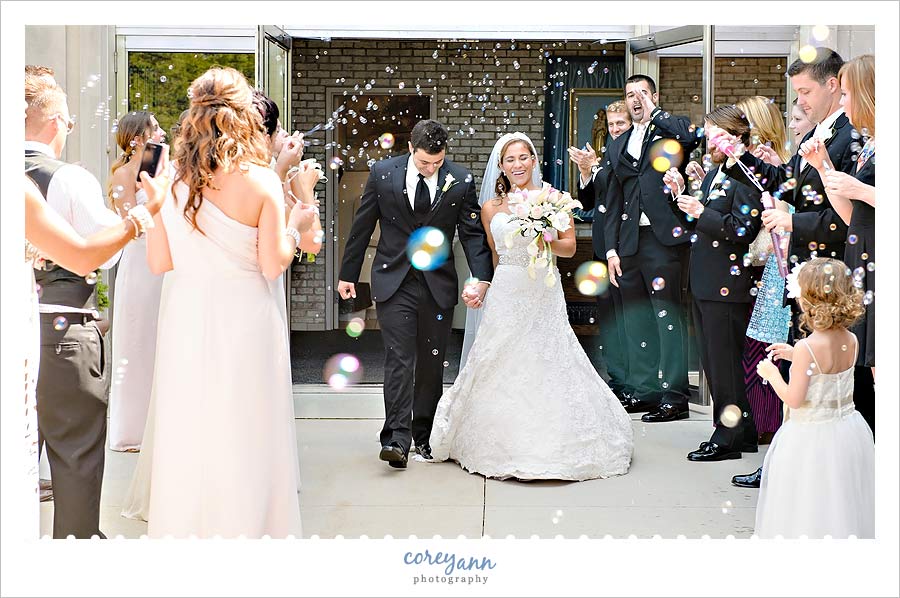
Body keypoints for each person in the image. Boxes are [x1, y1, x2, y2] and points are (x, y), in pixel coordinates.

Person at [139, 67, 318, 538]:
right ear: (244, 116)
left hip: (186, 318)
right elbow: (273, 264)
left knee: (190, 426)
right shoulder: (259, 181)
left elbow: (158, 262)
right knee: (248, 426)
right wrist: (296, 228)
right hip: (246, 320)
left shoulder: (169, 180)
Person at [428, 133, 633, 480]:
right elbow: (495, 255)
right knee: (498, 358)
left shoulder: (555, 199)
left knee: (548, 356)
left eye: (523, 157)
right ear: (501, 166)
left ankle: (554, 440)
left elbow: (569, 247)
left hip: (543, 289)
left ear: (534, 160)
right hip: (507, 290)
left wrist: (543, 237)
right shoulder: (491, 208)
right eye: (510, 160)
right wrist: (485, 286)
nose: (517, 165)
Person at [337, 119, 494, 469]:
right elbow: (363, 225)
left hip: (437, 284)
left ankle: (424, 435)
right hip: (394, 280)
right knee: (399, 357)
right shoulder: (382, 174)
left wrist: (482, 277)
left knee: (431, 362)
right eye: (424, 162)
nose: (431, 168)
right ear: (410, 148)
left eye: (438, 162)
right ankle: (396, 438)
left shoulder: (460, 179)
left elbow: (471, 234)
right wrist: (348, 274)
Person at [26, 66, 125, 539]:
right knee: (75, 455)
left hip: (23, 330)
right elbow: (106, 251)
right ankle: (75, 550)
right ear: (54, 122)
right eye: (68, 121)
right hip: (62, 334)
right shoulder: (67, 179)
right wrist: (136, 218)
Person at [603, 74, 701, 422]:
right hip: (629, 243)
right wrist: (611, 250)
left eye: (642, 93)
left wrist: (654, 114)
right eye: (630, 94)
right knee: (637, 320)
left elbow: (692, 135)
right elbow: (613, 199)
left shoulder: (671, 133)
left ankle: (675, 397)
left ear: (654, 97)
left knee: (667, 318)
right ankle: (644, 391)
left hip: (663, 240)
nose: (636, 99)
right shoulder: (618, 144)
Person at [669, 106, 764, 462]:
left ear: (736, 137)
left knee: (724, 365)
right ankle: (745, 431)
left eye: (714, 135)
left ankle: (727, 436)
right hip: (705, 281)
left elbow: (743, 230)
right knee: (714, 362)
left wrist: (702, 212)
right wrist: (681, 195)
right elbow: (699, 225)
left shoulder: (747, 175)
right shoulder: (714, 174)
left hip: (728, 283)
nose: (708, 142)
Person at [754, 258, 874, 538]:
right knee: (840, 502)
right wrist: (794, 356)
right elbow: (829, 370)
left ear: (808, 300)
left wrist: (772, 374)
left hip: (811, 438)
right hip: (847, 430)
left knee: (809, 504)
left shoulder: (807, 347)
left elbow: (794, 399)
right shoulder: (851, 339)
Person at [731, 98, 815, 489]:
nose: (793, 123)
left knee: (783, 359)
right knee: (766, 355)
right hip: (775, 272)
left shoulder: (790, 164)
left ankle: (777, 446)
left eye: (798, 116)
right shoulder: (774, 164)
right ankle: (770, 438)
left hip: (789, 270)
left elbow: (787, 216)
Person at [799, 53, 875, 437]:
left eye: (847, 94)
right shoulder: (871, 145)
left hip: (879, 259)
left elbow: (862, 197)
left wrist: (860, 188)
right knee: (870, 366)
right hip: (861, 260)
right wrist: (824, 165)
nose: (843, 103)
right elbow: (850, 216)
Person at [566, 100, 644, 401]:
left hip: (628, 248)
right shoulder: (607, 156)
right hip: (602, 248)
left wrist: (595, 168)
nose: (614, 130)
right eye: (611, 125)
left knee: (630, 318)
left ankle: (638, 383)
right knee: (609, 317)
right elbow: (588, 202)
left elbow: (619, 192)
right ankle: (618, 379)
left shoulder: (634, 156)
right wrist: (586, 172)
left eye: (620, 124)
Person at [106, 111, 166, 452]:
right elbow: (132, 223)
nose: (161, 132)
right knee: (137, 341)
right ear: (138, 137)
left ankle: (161, 427)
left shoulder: (159, 168)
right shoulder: (123, 174)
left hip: (164, 263)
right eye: (154, 127)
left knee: (160, 341)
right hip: (140, 264)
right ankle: (132, 430)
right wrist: (156, 201)